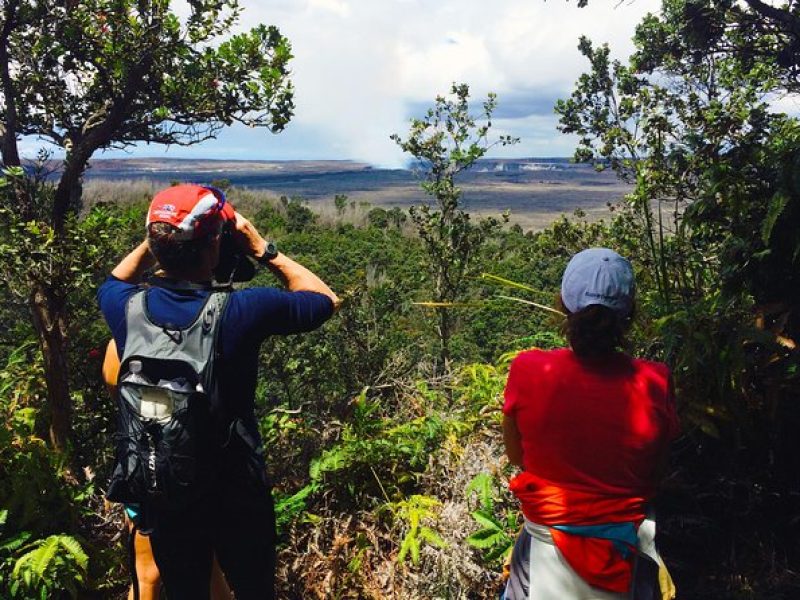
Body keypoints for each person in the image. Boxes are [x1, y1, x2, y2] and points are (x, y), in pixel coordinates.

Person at [98, 184, 339, 599]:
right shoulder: (243, 312)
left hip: (164, 486)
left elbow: (114, 279)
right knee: (252, 588)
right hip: (235, 491)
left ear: (156, 246)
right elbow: (325, 299)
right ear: (215, 244)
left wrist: (159, 236)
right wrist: (263, 247)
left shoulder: (124, 308)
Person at [501, 248, 679, 600]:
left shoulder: (529, 370)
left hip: (543, 551)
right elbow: (654, 474)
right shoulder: (655, 381)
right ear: (629, 314)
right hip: (625, 555)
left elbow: (516, 455)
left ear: (565, 305)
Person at [102, 339, 233, 600]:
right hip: (200, 475)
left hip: (146, 471)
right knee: (209, 566)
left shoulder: (122, 342)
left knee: (147, 574)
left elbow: (115, 387)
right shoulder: (203, 333)